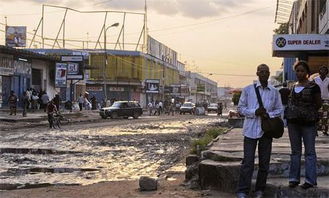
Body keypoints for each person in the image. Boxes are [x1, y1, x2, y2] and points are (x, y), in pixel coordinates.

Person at [236, 64, 283, 198]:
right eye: (261, 71)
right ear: (257, 73)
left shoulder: (274, 91)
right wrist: (254, 112)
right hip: (250, 131)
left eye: (266, 71)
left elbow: (280, 109)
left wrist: (269, 114)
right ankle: (242, 190)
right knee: (248, 162)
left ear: (269, 74)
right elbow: (241, 108)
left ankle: (259, 190)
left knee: (264, 163)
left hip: (266, 131)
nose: (263, 73)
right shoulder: (248, 90)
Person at [285, 61, 321, 189]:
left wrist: (307, 112)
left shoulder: (313, 87)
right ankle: (294, 179)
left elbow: (318, 104)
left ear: (307, 72)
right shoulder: (293, 86)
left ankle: (310, 180)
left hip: (308, 123)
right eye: (297, 71)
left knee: (310, 152)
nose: (299, 73)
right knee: (295, 151)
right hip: (293, 123)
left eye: (302, 71)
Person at [314, 65, 329, 136]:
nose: (323, 71)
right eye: (322, 70)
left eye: (325, 70)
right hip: (317, 99)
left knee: (325, 116)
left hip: (326, 99)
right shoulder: (315, 79)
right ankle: (315, 131)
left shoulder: (328, 80)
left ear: (327, 72)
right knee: (317, 115)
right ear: (319, 71)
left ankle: (325, 130)